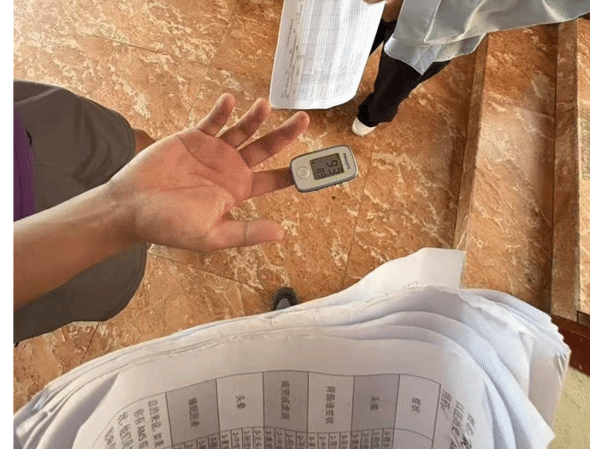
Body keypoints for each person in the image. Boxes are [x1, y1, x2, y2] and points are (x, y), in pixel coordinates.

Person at [13, 83, 309, 343]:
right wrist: (124, 211)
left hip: (23, 123)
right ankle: (144, 221)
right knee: (121, 264)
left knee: (129, 142)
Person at [352, 0, 590, 136]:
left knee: (398, 76)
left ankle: (371, 114)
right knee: (357, 39)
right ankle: (345, 79)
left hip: (443, 18)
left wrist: (411, 4)